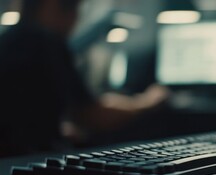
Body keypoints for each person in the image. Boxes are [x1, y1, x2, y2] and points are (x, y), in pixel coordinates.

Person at [0, 0, 168, 157]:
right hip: (24, 164)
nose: (76, 19)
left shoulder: (8, 39)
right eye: (75, 9)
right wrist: (146, 102)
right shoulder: (45, 42)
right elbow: (93, 116)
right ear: (51, 5)